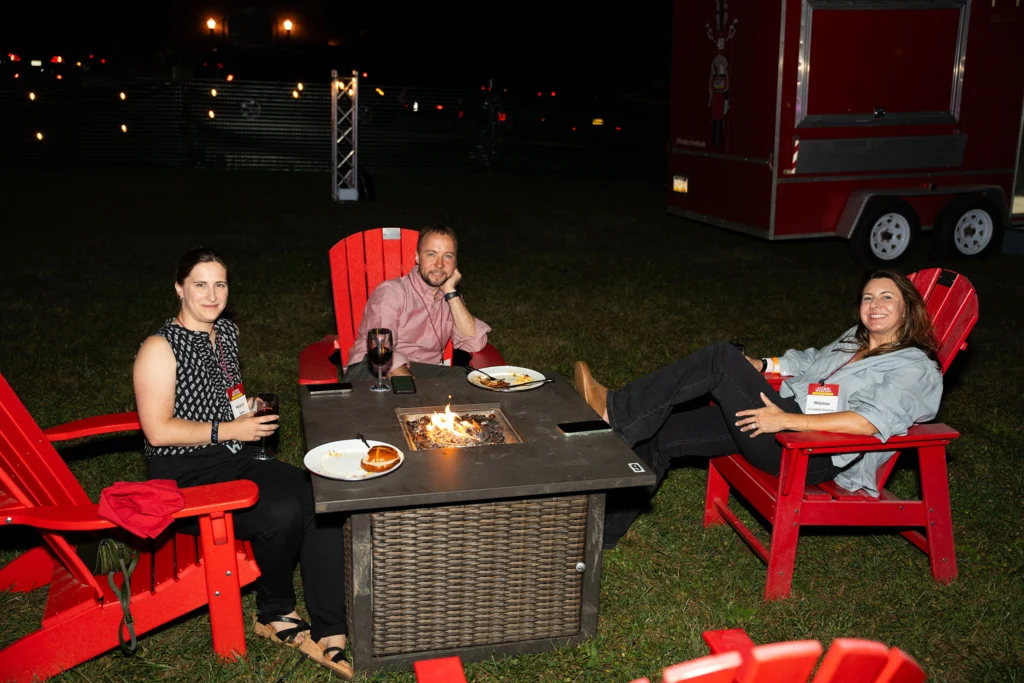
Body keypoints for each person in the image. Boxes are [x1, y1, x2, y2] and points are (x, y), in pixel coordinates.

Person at [573, 269, 943, 548]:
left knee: (721, 357)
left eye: (886, 298)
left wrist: (784, 419)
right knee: (665, 434)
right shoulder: (855, 339)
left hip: (810, 451)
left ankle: (616, 413)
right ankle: (602, 536)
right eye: (867, 297)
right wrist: (763, 366)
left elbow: (867, 423)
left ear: (908, 308)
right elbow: (810, 362)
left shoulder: (914, 368)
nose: (874, 305)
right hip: (784, 418)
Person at [133, 248, 353, 680]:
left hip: (234, 454)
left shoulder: (226, 332)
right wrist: (228, 430)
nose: (211, 294)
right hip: (184, 474)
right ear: (179, 288)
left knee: (320, 495)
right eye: (200, 284)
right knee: (282, 512)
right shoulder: (159, 348)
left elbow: (224, 395)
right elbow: (157, 430)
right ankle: (274, 610)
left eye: (220, 284)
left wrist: (242, 411)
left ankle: (333, 625)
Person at [343, 225, 491, 381]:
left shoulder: (450, 300)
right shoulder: (392, 292)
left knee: (465, 379)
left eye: (448, 256)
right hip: (371, 369)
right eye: (431, 254)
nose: (439, 265)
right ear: (417, 257)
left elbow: (474, 342)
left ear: (455, 263)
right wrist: (413, 390)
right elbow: (382, 348)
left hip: (419, 372)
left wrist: (451, 293)